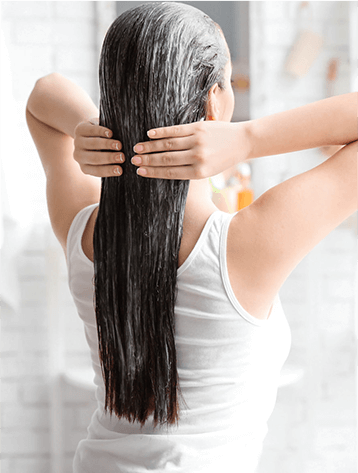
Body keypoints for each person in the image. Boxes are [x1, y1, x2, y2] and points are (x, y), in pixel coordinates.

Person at [25, 2, 357, 473]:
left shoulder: (84, 231)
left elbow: (43, 96)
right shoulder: (247, 247)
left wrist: (96, 128)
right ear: (214, 101)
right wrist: (247, 139)